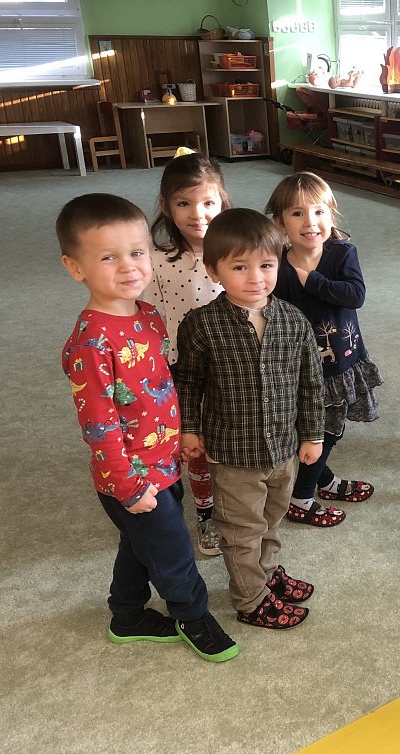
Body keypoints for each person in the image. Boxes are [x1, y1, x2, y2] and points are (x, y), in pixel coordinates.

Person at [58, 192, 238, 663]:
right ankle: (193, 616)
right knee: (172, 550)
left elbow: (159, 388)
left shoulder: (149, 317)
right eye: (108, 257)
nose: (128, 266)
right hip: (131, 478)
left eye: (137, 252)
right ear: (75, 268)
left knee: (139, 545)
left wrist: (180, 436)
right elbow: (99, 426)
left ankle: (126, 614)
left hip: (164, 462)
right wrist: (129, 486)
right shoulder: (92, 342)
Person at [172, 208, 325, 630]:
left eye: (266, 265)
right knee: (241, 531)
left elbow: (312, 383)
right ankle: (251, 599)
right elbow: (187, 382)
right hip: (233, 455)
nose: (256, 278)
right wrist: (189, 428)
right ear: (214, 271)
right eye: (240, 267)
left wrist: (312, 435)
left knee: (271, 521)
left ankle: (268, 573)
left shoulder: (294, 320)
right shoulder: (201, 325)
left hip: (283, 450)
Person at [265, 172, 383, 527]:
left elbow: (355, 295)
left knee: (329, 430)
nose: (310, 222)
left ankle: (322, 481)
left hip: (341, 364)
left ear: (331, 214)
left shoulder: (342, 253)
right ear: (280, 223)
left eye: (319, 211)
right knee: (315, 432)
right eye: (297, 213)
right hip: (300, 368)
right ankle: (301, 500)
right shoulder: (277, 264)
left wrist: (310, 279)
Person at [143, 150, 230, 557]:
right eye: (184, 203)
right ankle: (207, 514)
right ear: (166, 206)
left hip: (234, 366)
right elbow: (149, 318)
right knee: (195, 446)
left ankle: (237, 503)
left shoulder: (237, 252)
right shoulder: (158, 262)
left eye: (208, 202)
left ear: (222, 201)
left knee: (231, 439)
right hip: (184, 370)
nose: (198, 214)